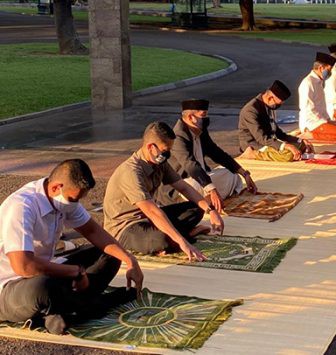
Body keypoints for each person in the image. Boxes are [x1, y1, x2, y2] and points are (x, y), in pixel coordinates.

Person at [0, 159, 144, 334]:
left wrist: (130, 260)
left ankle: (63, 312)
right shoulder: (22, 206)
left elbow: (92, 231)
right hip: (10, 286)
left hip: (48, 269)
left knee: (111, 255)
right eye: (74, 199)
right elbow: (23, 266)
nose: (76, 204)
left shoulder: (64, 199)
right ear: (55, 188)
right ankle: (88, 306)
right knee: (42, 289)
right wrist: (75, 272)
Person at [103, 121, 224, 261]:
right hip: (126, 226)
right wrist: (181, 241)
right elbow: (152, 211)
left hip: (149, 218)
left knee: (195, 208)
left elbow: (183, 187)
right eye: (165, 151)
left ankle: (176, 238)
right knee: (160, 239)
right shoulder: (131, 172)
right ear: (151, 147)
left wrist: (211, 211)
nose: (168, 155)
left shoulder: (160, 163)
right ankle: (181, 238)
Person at [161, 99, 258, 213]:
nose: (206, 119)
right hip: (182, 184)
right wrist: (212, 190)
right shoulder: (178, 136)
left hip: (202, 178)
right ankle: (204, 201)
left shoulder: (200, 130)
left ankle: (206, 199)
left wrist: (243, 172)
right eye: (203, 115)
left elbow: (216, 153)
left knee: (232, 175)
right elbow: (191, 166)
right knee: (194, 186)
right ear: (191, 117)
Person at [238, 80, 314, 162]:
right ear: (270, 98)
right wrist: (285, 146)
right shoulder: (250, 110)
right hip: (255, 145)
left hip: (268, 141)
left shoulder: (268, 106)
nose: (278, 106)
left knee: (300, 146)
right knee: (288, 154)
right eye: (278, 104)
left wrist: (299, 140)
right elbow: (261, 138)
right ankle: (252, 154)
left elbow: (279, 134)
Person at [298, 52, 336, 142]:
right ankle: (311, 134)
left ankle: (324, 131)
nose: (330, 72)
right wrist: (325, 122)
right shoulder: (308, 83)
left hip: (323, 120)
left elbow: (322, 107)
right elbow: (309, 110)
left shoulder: (319, 81)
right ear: (321, 68)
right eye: (329, 70)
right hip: (313, 123)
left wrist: (330, 120)